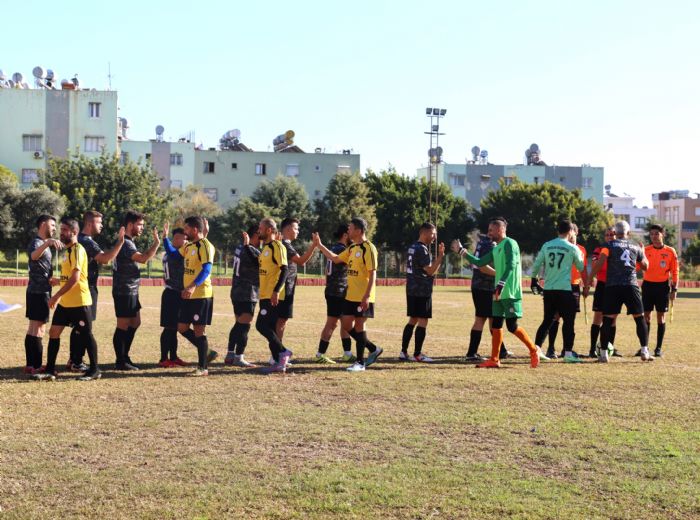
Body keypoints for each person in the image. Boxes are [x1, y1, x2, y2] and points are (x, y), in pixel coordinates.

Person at [459, 217, 540, 369]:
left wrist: (501, 284)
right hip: (498, 292)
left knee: (512, 326)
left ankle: (533, 350)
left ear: (501, 230)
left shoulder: (510, 243)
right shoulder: (496, 248)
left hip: (509, 292)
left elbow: (511, 265)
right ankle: (494, 359)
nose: (488, 233)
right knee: (496, 325)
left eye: (491, 230)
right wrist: (462, 252)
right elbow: (479, 262)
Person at [33, 217, 101, 381]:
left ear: (74, 232)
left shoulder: (78, 249)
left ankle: (94, 370)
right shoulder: (67, 252)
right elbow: (69, 276)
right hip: (66, 303)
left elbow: (76, 278)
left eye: (64, 230)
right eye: (61, 229)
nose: (61, 233)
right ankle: (50, 370)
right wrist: (59, 280)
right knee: (54, 332)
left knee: (86, 335)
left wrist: (56, 296)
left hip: (79, 302)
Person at [313, 217, 382, 372]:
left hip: (362, 296)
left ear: (358, 230)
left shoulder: (368, 248)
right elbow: (335, 258)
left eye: (350, 228)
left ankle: (360, 362)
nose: (348, 231)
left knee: (359, 326)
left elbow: (372, 274)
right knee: (346, 325)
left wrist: (366, 296)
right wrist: (319, 245)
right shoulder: (352, 249)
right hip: (350, 296)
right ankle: (373, 348)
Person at [68, 211, 125, 371]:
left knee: (79, 325)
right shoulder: (87, 242)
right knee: (84, 327)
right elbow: (105, 259)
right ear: (89, 224)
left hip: (79, 287)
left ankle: (74, 359)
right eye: (99, 222)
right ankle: (76, 361)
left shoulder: (79, 240)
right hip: (86, 288)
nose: (102, 225)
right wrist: (120, 242)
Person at [586, 220, 650, 362]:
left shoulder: (608, 245)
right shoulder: (635, 245)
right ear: (628, 233)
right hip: (631, 285)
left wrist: (590, 278)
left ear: (615, 233)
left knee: (608, 319)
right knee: (639, 318)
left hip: (613, 286)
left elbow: (600, 263)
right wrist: (643, 253)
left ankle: (603, 354)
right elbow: (646, 266)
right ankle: (645, 351)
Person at [162, 216, 218, 376]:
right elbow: (173, 255)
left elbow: (206, 269)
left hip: (201, 295)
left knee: (199, 330)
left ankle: (202, 368)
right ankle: (206, 352)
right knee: (182, 327)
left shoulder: (205, 246)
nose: (184, 232)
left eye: (186, 229)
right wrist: (165, 238)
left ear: (194, 229)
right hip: (188, 295)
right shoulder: (188, 247)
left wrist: (192, 286)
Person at [530, 220, 586, 363]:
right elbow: (581, 267)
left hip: (549, 290)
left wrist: (533, 280)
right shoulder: (573, 248)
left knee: (547, 320)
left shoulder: (547, 245)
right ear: (570, 232)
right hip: (564, 290)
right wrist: (586, 284)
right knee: (569, 321)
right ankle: (567, 353)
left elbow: (537, 264)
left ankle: (536, 350)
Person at [111, 210, 161, 370]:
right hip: (124, 290)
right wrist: (156, 243)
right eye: (139, 225)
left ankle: (124, 356)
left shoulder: (129, 241)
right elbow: (143, 258)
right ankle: (121, 361)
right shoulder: (126, 242)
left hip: (131, 290)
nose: (142, 228)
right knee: (123, 325)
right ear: (130, 225)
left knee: (135, 322)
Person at [454, 231, 512, 362]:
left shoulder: (482, 243)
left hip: (479, 286)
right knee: (482, 319)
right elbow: (482, 267)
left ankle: (501, 351)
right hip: (485, 287)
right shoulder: (491, 245)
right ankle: (471, 353)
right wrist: (500, 274)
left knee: (492, 319)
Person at [400, 222, 445, 362]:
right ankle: (418, 354)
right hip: (422, 290)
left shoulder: (413, 247)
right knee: (423, 320)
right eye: (433, 233)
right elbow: (430, 271)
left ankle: (403, 352)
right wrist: (441, 256)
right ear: (424, 233)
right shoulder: (422, 249)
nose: (435, 237)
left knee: (413, 319)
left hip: (411, 289)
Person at [24, 215, 62, 375]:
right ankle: (37, 366)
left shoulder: (41, 244)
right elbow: (33, 256)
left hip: (36, 290)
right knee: (38, 330)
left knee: (33, 328)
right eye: (52, 225)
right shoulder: (37, 242)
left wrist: (50, 280)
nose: (54, 228)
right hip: (39, 293)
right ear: (43, 224)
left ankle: (30, 365)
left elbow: (39, 266)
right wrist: (47, 243)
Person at [255, 218, 293, 373]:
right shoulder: (266, 247)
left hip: (273, 295)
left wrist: (276, 291)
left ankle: (283, 352)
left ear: (269, 230)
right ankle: (278, 361)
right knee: (269, 327)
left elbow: (285, 270)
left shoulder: (278, 246)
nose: (259, 230)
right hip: (264, 294)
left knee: (261, 325)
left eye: (261, 228)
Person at [314, 224, 356, 364]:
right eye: (349, 233)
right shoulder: (343, 250)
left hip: (335, 291)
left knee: (345, 322)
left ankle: (347, 353)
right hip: (337, 292)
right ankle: (320, 354)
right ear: (345, 235)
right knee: (332, 324)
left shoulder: (334, 248)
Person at [275, 217, 317, 342]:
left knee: (280, 320)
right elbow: (301, 261)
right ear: (288, 229)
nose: (298, 231)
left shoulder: (284, 244)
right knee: (281, 320)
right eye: (296, 228)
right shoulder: (285, 244)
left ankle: (277, 352)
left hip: (284, 288)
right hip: (283, 288)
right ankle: (277, 353)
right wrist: (314, 245)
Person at [225, 225, 261, 368]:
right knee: (243, 325)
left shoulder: (239, 248)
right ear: (257, 235)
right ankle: (238, 356)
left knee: (239, 324)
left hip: (236, 291)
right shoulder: (251, 250)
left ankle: (230, 354)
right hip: (248, 292)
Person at [641, 224, 678, 358]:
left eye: (657, 233)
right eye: (652, 234)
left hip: (662, 287)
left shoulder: (670, 251)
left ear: (663, 234)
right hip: (647, 286)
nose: (654, 236)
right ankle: (644, 347)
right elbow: (638, 266)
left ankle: (658, 348)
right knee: (646, 316)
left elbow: (675, 271)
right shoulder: (645, 250)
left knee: (661, 317)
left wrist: (674, 289)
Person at [158, 224, 188, 368]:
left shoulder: (172, 253)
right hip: (172, 294)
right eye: (184, 238)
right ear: (176, 239)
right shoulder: (174, 255)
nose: (187, 241)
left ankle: (174, 357)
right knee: (169, 328)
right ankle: (164, 358)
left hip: (175, 293)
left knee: (174, 328)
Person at [589, 227, 620, 358]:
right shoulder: (599, 249)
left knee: (613, 318)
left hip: (616, 286)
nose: (609, 237)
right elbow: (597, 266)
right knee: (598, 317)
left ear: (616, 236)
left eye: (612, 235)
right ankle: (592, 349)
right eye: (607, 235)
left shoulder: (620, 250)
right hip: (602, 285)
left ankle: (609, 347)